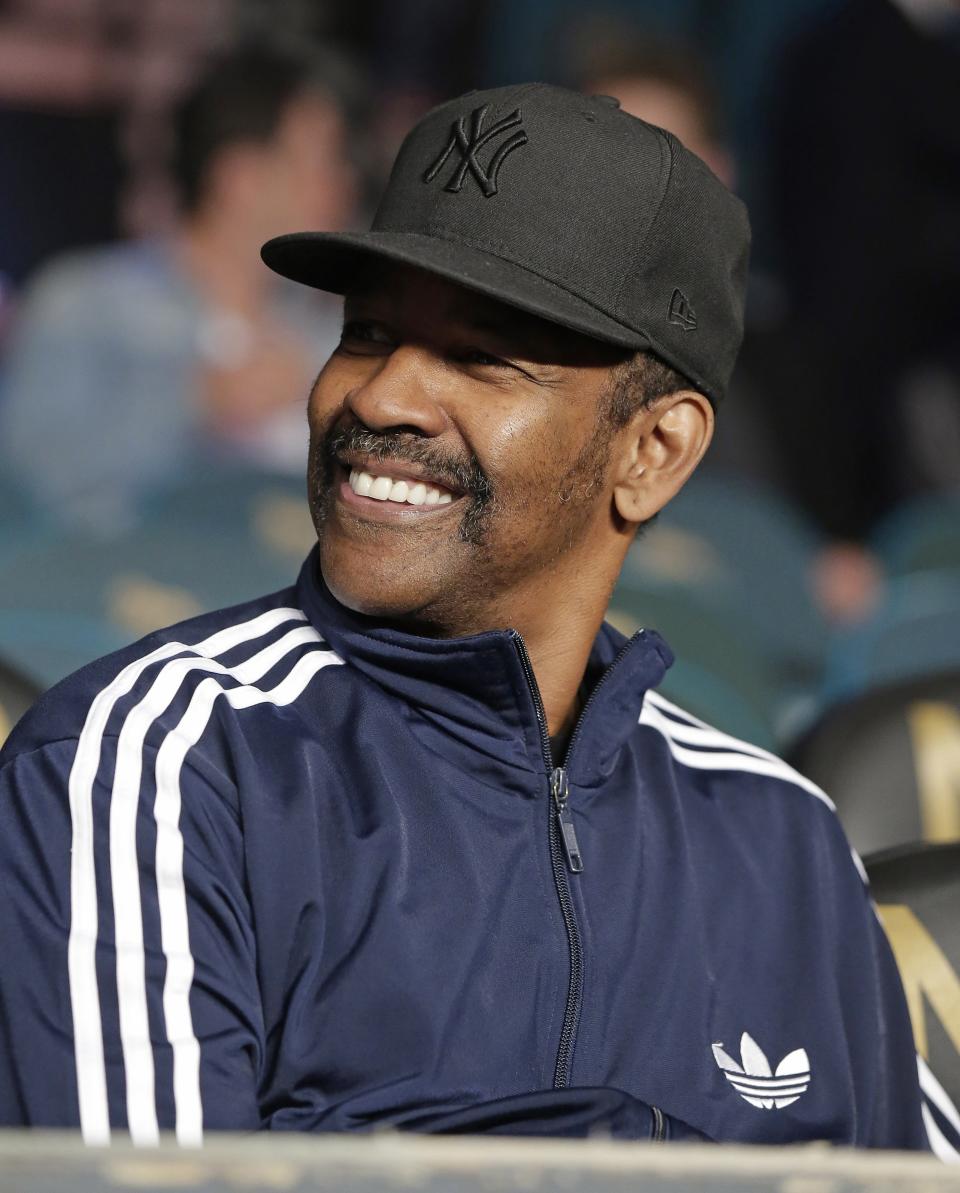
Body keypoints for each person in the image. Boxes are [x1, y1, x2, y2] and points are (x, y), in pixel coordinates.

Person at [0, 83, 933, 1150]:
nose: (381, 396)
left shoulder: (789, 841)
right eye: (368, 332)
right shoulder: (154, 768)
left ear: (655, 450)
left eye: (483, 356)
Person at [0, 43, 357, 534]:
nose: (341, 184)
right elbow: (31, 476)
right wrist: (197, 402)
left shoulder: (330, 332)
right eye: (322, 159)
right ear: (241, 177)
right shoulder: (87, 302)